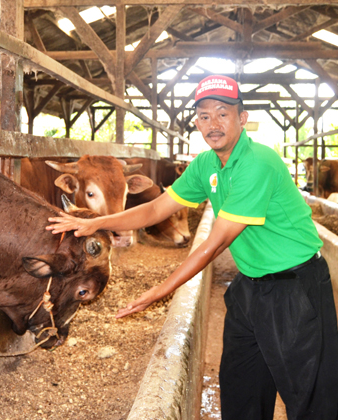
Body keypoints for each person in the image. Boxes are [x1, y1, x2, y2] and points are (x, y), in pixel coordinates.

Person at [46, 74, 338, 420]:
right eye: (203, 115)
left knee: (310, 400)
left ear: (242, 118)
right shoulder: (206, 164)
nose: (212, 123)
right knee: (241, 391)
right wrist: (94, 223)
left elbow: (216, 243)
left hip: (295, 291)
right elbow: (155, 209)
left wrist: (162, 289)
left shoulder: (257, 161)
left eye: (222, 113)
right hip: (250, 287)